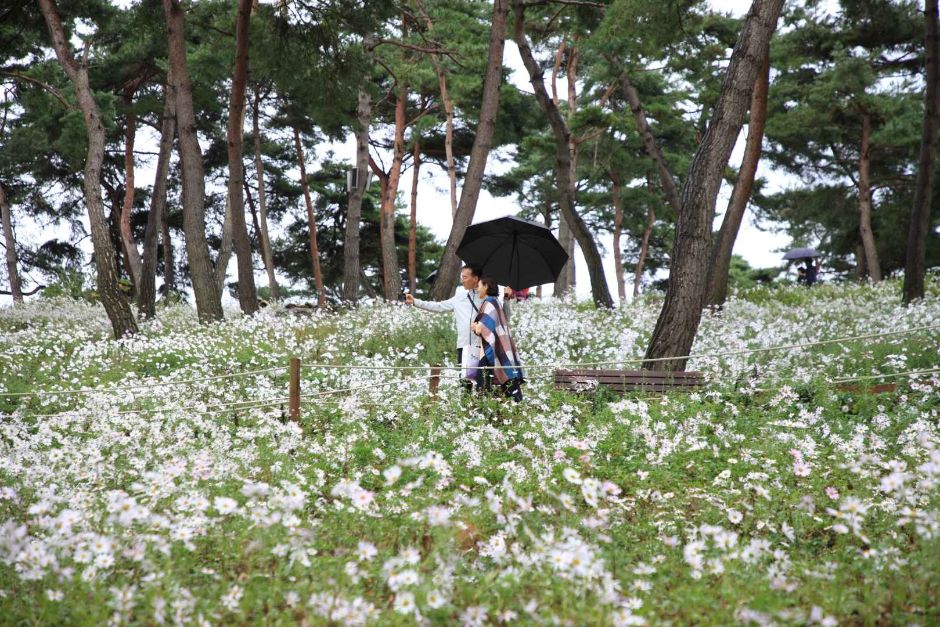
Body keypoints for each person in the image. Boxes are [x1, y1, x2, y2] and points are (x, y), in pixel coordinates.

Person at [404, 265, 510, 370]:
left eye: (465, 277)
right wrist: (415, 302)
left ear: (476, 278)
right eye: (461, 277)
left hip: (484, 347)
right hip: (463, 346)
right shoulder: (459, 298)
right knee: (465, 383)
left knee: (484, 381)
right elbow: (439, 306)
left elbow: (501, 318)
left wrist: (506, 298)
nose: (461, 280)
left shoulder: (488, 298)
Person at [470, 276, 524, 401]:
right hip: (498, 345)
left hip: (491, 348)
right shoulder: (494, 301)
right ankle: (515, 403)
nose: (477, 289)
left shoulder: (489, 302)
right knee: (504, 376)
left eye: (479, 286)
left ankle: (484, 409)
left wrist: (475, 326)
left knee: (483, 382)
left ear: (486, 286)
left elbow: (483, 328)